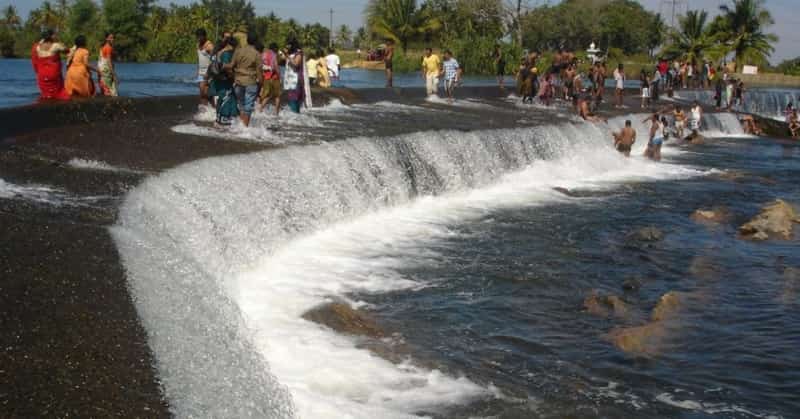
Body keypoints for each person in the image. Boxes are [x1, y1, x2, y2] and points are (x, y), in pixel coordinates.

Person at [226, 32, 262, 127]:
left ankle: (241, 127)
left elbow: (231, 65)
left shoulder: (238, 51)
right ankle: (244, 129)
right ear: (255, 42)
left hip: (238, 81)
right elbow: (259, 73)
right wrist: (261, 85)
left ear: (247, 40)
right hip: (251, 82)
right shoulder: (257, 54)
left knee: (241, 105)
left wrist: (222, 66)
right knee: (248, 107)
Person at [30, 29, 70, 101]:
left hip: (42, 74)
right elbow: (67, 51)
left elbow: (34, 59)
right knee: (59, 92)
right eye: (54, 35)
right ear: (51, 36)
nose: (56, 36)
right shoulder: (56, 46)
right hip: (53, 73)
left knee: (46, 93)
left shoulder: (37, 47)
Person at [211, 37, 238, 126]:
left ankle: (219, 120)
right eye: (234, 46)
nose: (234, 49)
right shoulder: (226, 54)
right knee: (226, 99)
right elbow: (227, 68)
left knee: (223, 98)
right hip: (225, 81)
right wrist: (234, 77)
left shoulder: (219, 51)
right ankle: (222, 121)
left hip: (218, 80)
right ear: (229, 45)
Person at [259, 42, 281, 115]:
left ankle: (260, 109)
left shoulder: (263, 54)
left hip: (266, 77)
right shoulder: (274, 55)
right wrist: (279, 75)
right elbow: (275, 66)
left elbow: (260, 65)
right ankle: (277, 113)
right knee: (277, 96)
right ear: (275, 48)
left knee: (267, 94)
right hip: (274, 77)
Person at [283, 42, 306, 113]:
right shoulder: (290, 54)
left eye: (288, 45)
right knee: (292, 97)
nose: (287, 47)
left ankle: (295, 116)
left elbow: (296, 64)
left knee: (294, 98)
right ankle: (295, 116)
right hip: (289, 79)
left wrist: (287, 55)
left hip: (296, 79)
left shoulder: (298, 54)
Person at [196, 29, 214, 106]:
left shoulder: (209, 46)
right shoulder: (198, 45)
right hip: (200, 72)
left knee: (206, 92)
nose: (199, 38)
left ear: (205, 36)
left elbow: (214, 59)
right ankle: (205, 111)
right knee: (202, 93)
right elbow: (199, 58)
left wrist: (209, 72)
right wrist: (197, 70)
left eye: (201, 37)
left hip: (207, 72)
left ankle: (213, 109)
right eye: (198, 37)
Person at [97, 32, 118, 97]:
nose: (112, 39)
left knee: (104, 90)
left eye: (113, 38)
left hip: (101, 70)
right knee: (111, 91)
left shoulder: (102, 47)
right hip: (106, 71)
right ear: (106, 39)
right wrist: (114, 74)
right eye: (110, 38)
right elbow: (109, 62)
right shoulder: (108, 47)